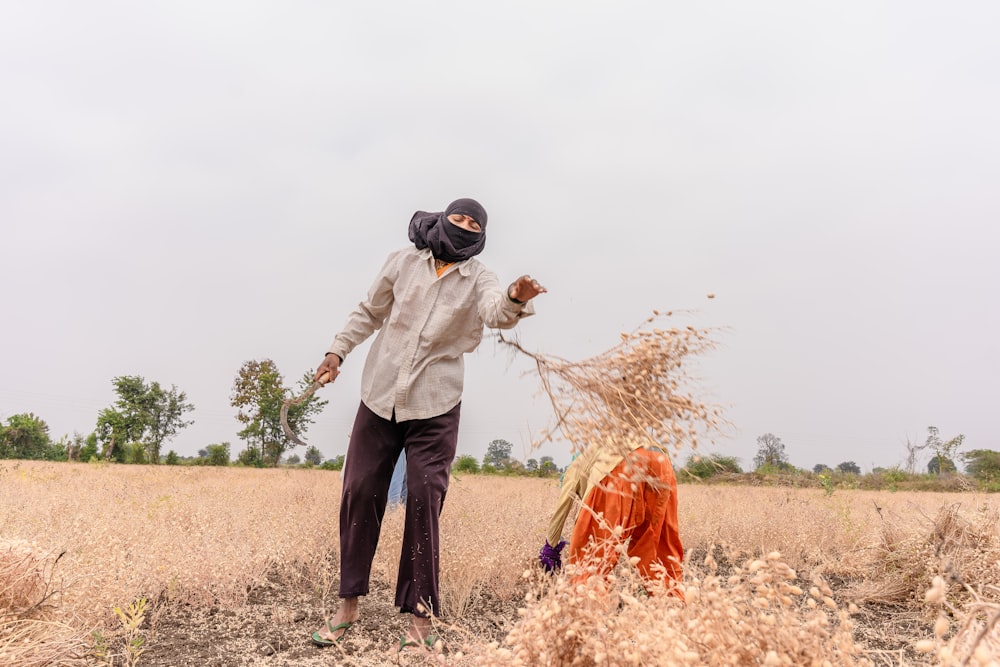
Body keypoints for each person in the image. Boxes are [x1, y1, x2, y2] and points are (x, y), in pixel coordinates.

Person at [309, 198, 546, 650]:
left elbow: (497, 312)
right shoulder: (402, 262)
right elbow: (368, 312)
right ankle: (348, 605)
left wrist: (517, 297)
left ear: (481, 236)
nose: (464, 227)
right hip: (379, 397)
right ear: (441, 220)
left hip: (435, 406)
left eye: (474, 224)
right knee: (359, 490)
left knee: (423, 496)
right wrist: (336, 352)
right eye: (458, 218)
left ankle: (420, 617)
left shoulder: (479, 277)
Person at [539, 439, 684, 599]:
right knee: (658, 549)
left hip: (618, 466)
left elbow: (565, 501)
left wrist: (550, 546)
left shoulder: (577, 465)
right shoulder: (598, 446)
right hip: (660, 462)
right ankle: (673, 605)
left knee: (590, 559)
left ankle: (588, 612)